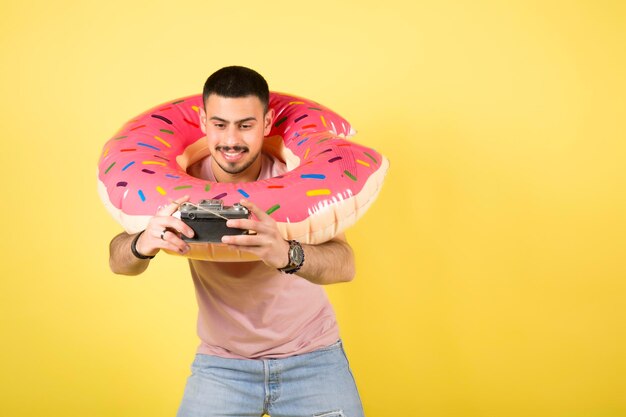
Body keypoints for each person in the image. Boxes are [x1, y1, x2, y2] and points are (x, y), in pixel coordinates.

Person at [109, 66, 365, 417]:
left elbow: (345, 265)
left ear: (267, 122)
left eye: (245, 125)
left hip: (313, 358)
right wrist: (142, 242)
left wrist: (286, 253)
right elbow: (118, 261)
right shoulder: (179, 187)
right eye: (219, 124)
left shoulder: (297, 182)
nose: (231, 140)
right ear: (201, 121)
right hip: (222, 366)